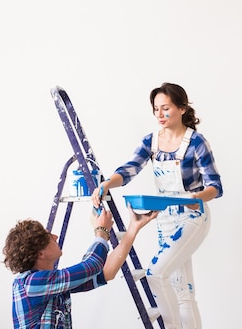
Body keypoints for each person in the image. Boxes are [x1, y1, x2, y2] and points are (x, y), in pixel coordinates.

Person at [91, 82, 223, 329]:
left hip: (192, 217)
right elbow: (130, 169)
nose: (160, 115)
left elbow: (216, 186)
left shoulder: (196, 143)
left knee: (155, 273)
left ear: (182, 108)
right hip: (165, 219)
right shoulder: (151, 141)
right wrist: (108, 183)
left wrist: (196, 197)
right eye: (156, 109)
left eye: (166, 108)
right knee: (183, 292)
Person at [3, 206, 158, 329]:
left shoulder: (51, 285)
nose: (55, 237)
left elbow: (104, 273)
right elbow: (91, 266)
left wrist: (133, 228)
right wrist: (101, 232)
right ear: (40, 253)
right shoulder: (30, 284)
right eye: (48, 237)